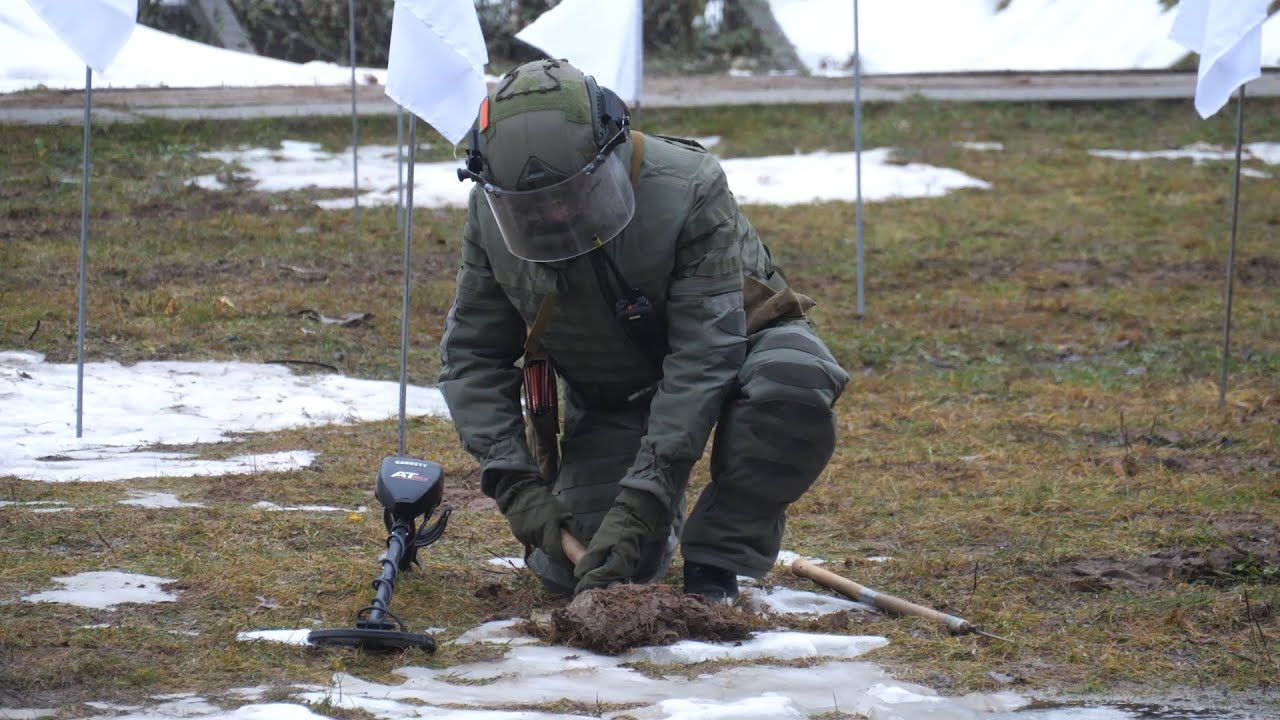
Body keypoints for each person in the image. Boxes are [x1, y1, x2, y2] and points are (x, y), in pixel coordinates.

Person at [440, 58, 849, 602]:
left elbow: (706, 355)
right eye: (536, 207)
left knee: (792, 385)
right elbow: (472, 358)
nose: (558, 215)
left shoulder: (690, 188)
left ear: (610, 149)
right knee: (588, 569)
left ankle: (717, 556)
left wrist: (647, 494)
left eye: (570, 194)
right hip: (615, 392)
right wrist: (516, 487)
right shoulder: (489, 216)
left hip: (737, 347)